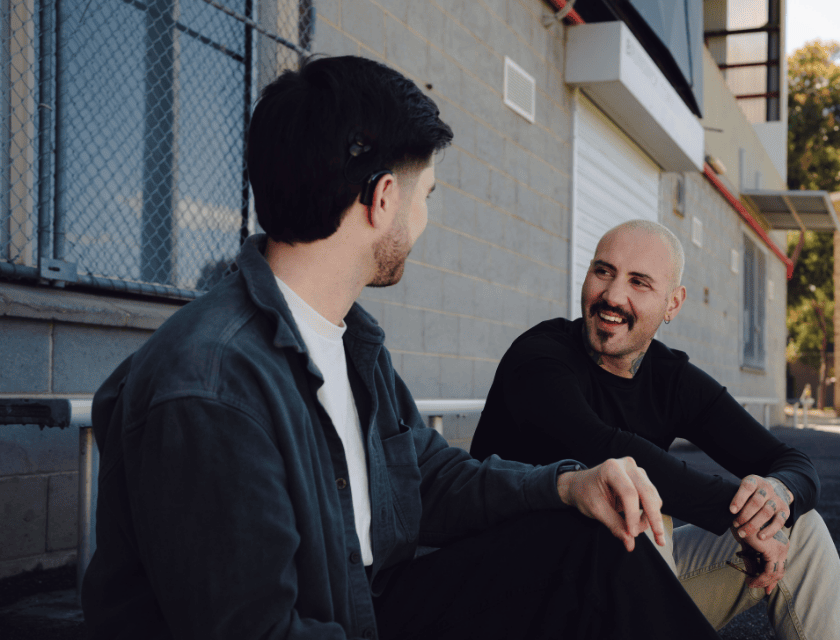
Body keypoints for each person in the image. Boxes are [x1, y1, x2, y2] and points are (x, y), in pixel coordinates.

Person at [81, 57, 721, 640]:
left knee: (594, 546)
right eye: (427, 197)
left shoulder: (350, 343)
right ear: (384, 199)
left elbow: (431, 479)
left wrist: (569, 485)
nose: (423, 221)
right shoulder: (212, 385)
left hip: (375, 606)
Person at [470, 220, 840, 639]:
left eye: (639, 282)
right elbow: (606, 447)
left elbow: (791, 462)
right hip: (511, 600)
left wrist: (775, 497)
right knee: (636, 505)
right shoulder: (539, 358)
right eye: (603, 271)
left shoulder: (670, 378)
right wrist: (737, 513)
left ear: (672, 304)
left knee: (797, 529)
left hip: (618, 599)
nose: (613, 295)